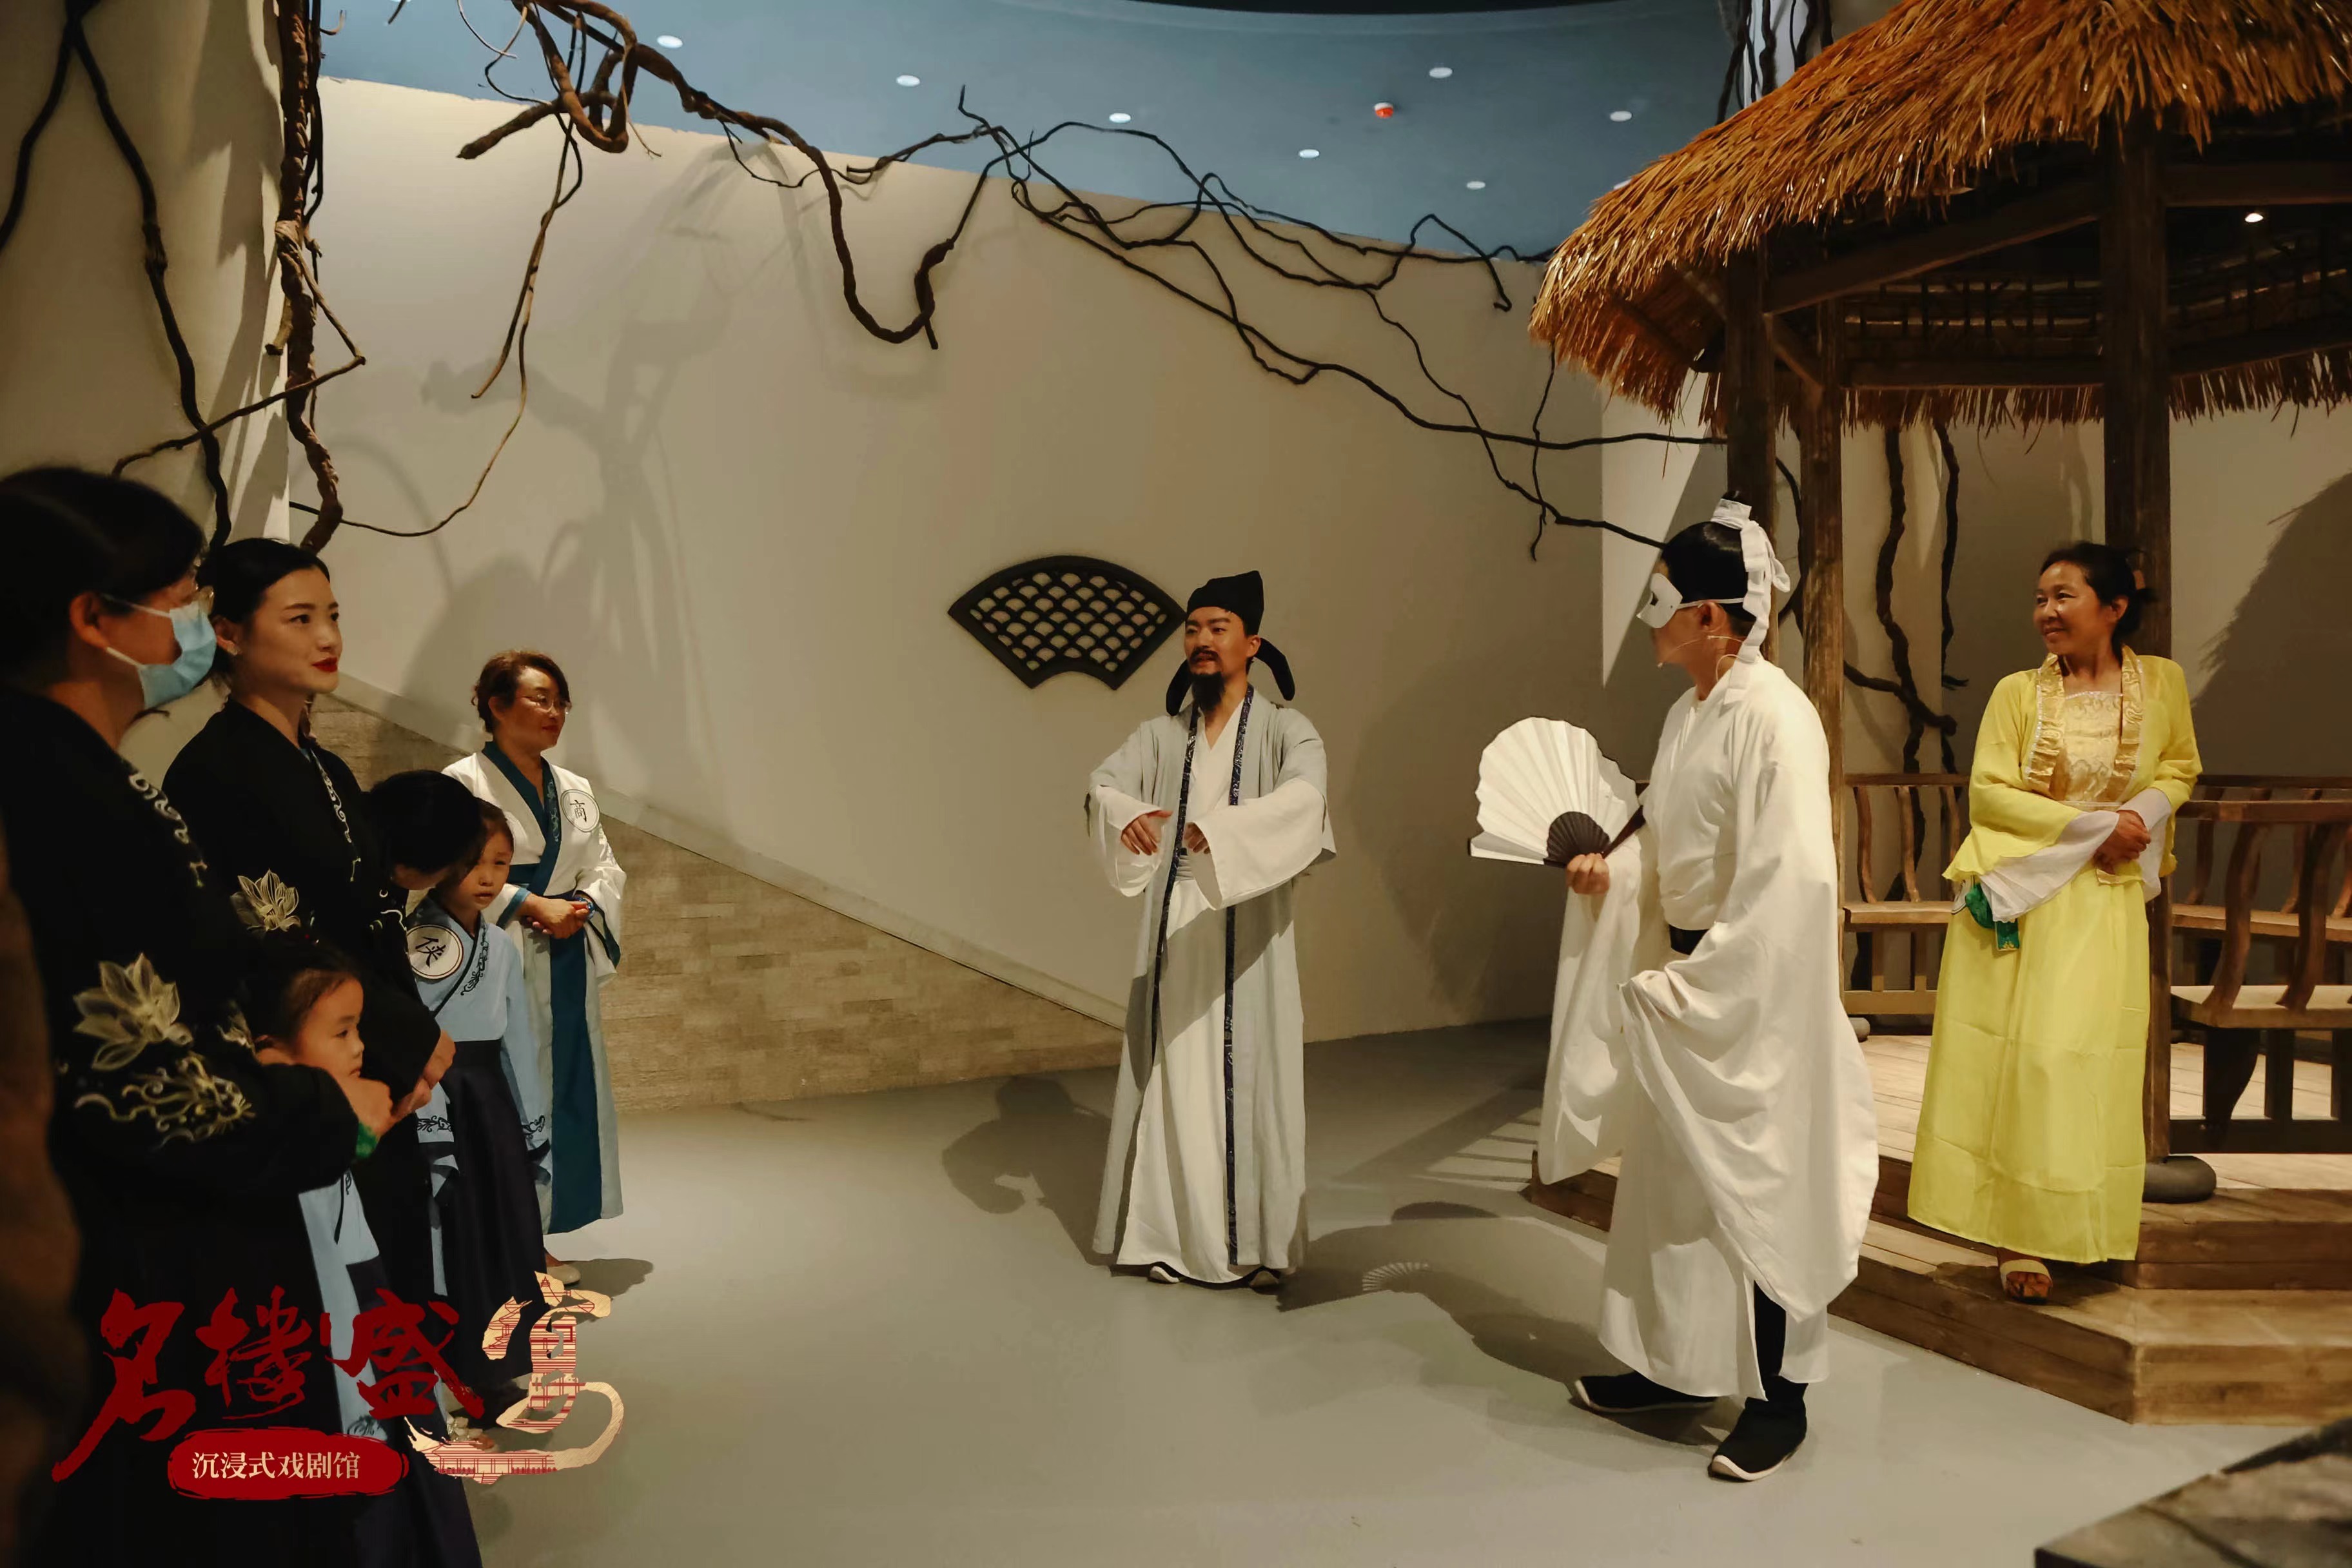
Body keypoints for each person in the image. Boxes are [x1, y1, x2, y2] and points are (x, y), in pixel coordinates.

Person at [0, 467, 388, 1565]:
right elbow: (125, 1067)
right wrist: (320, 1109)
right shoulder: (54, 790)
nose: (194, 624)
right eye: (181, 596)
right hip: (154, 1235)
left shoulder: (90, 771)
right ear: (94, 619)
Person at [1543, 500, 1878, 1482]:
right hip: (1688, 973)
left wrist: (1710, 980)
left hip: (1752, 986)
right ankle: (1676, 1368)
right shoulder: (1686, 714)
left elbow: (1792, 876)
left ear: (1712, 618)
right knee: (1676, 1189)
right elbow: (1663, 842)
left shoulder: (1777, 718)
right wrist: (1614, 875)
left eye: (1663, 598)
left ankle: (1781, 1401)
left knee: (1756, 1186)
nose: (1648, 616)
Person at [164, 541, 469, 1315]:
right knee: (340, 1274)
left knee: (395, 1251)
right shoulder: (213, 769)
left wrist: (411, 1032)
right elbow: (274, 940)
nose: (329, 636)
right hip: (311, 1059)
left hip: (376, 1039)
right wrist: (401, 1031)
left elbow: (365, 912)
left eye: (332, 615)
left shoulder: (323, 766)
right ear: (229, 632)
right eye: (299, 619)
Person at [1908, 543, 2201, 1300]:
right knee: (2026, 1064)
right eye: (2040, 597)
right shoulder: (2018, 693)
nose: (2047, 611)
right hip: (2030, 898)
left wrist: (2139, 817)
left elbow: (2179, 766)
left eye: (2064, 596)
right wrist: (2095, 826)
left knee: (2091, 1065)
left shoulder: (2162, 682)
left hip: (2106, 901)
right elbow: (1990, 794)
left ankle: (2083, 1225)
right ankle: (2018, 1234)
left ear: (2114, 607)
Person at [1084, 572, 1333, 1289]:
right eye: (1192, 628)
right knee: (1175, 1082)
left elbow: (1306, 798)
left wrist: (1224, 833)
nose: (1201, 640)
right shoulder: (1161, 736)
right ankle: (1163, 1236)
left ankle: (1258, 1247)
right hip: (1176, 928)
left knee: (1253, 1082)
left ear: (1251, 643)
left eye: (1218, 628)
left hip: (1248, 930)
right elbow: (1104, 783)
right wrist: (1127, 813)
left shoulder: (1288, 729)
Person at [239, 934, 482, 1567]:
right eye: (342, 1032)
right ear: (269, 1055)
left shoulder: (333, 1135)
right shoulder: (279, 1171)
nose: (361, 1048)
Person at [444, 651, 625, 1279]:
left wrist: (581, 906)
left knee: (559, 1088)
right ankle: (507, 1243)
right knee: (508, 1093)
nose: (555, 712)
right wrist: (527, 902)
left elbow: (604, 866)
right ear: (496, 706)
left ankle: (536, 1233)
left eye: (560, 701)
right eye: (540, 699)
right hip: (496, 952)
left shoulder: (574, 789)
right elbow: (447, 870)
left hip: (564, 953)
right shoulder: (462, 782)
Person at [409, 799, 553, 1421]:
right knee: (456, 1236)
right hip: (441, 1094)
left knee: (502, 1230)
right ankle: (451, 1375)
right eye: (473, 863)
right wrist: (426, 1108)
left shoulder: (500, 943)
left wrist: (532, 1117)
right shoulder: (416, 942)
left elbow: (519, 1036)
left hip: (490, 1095)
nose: (489, 877)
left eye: (500, 863)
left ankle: (494, 1372)